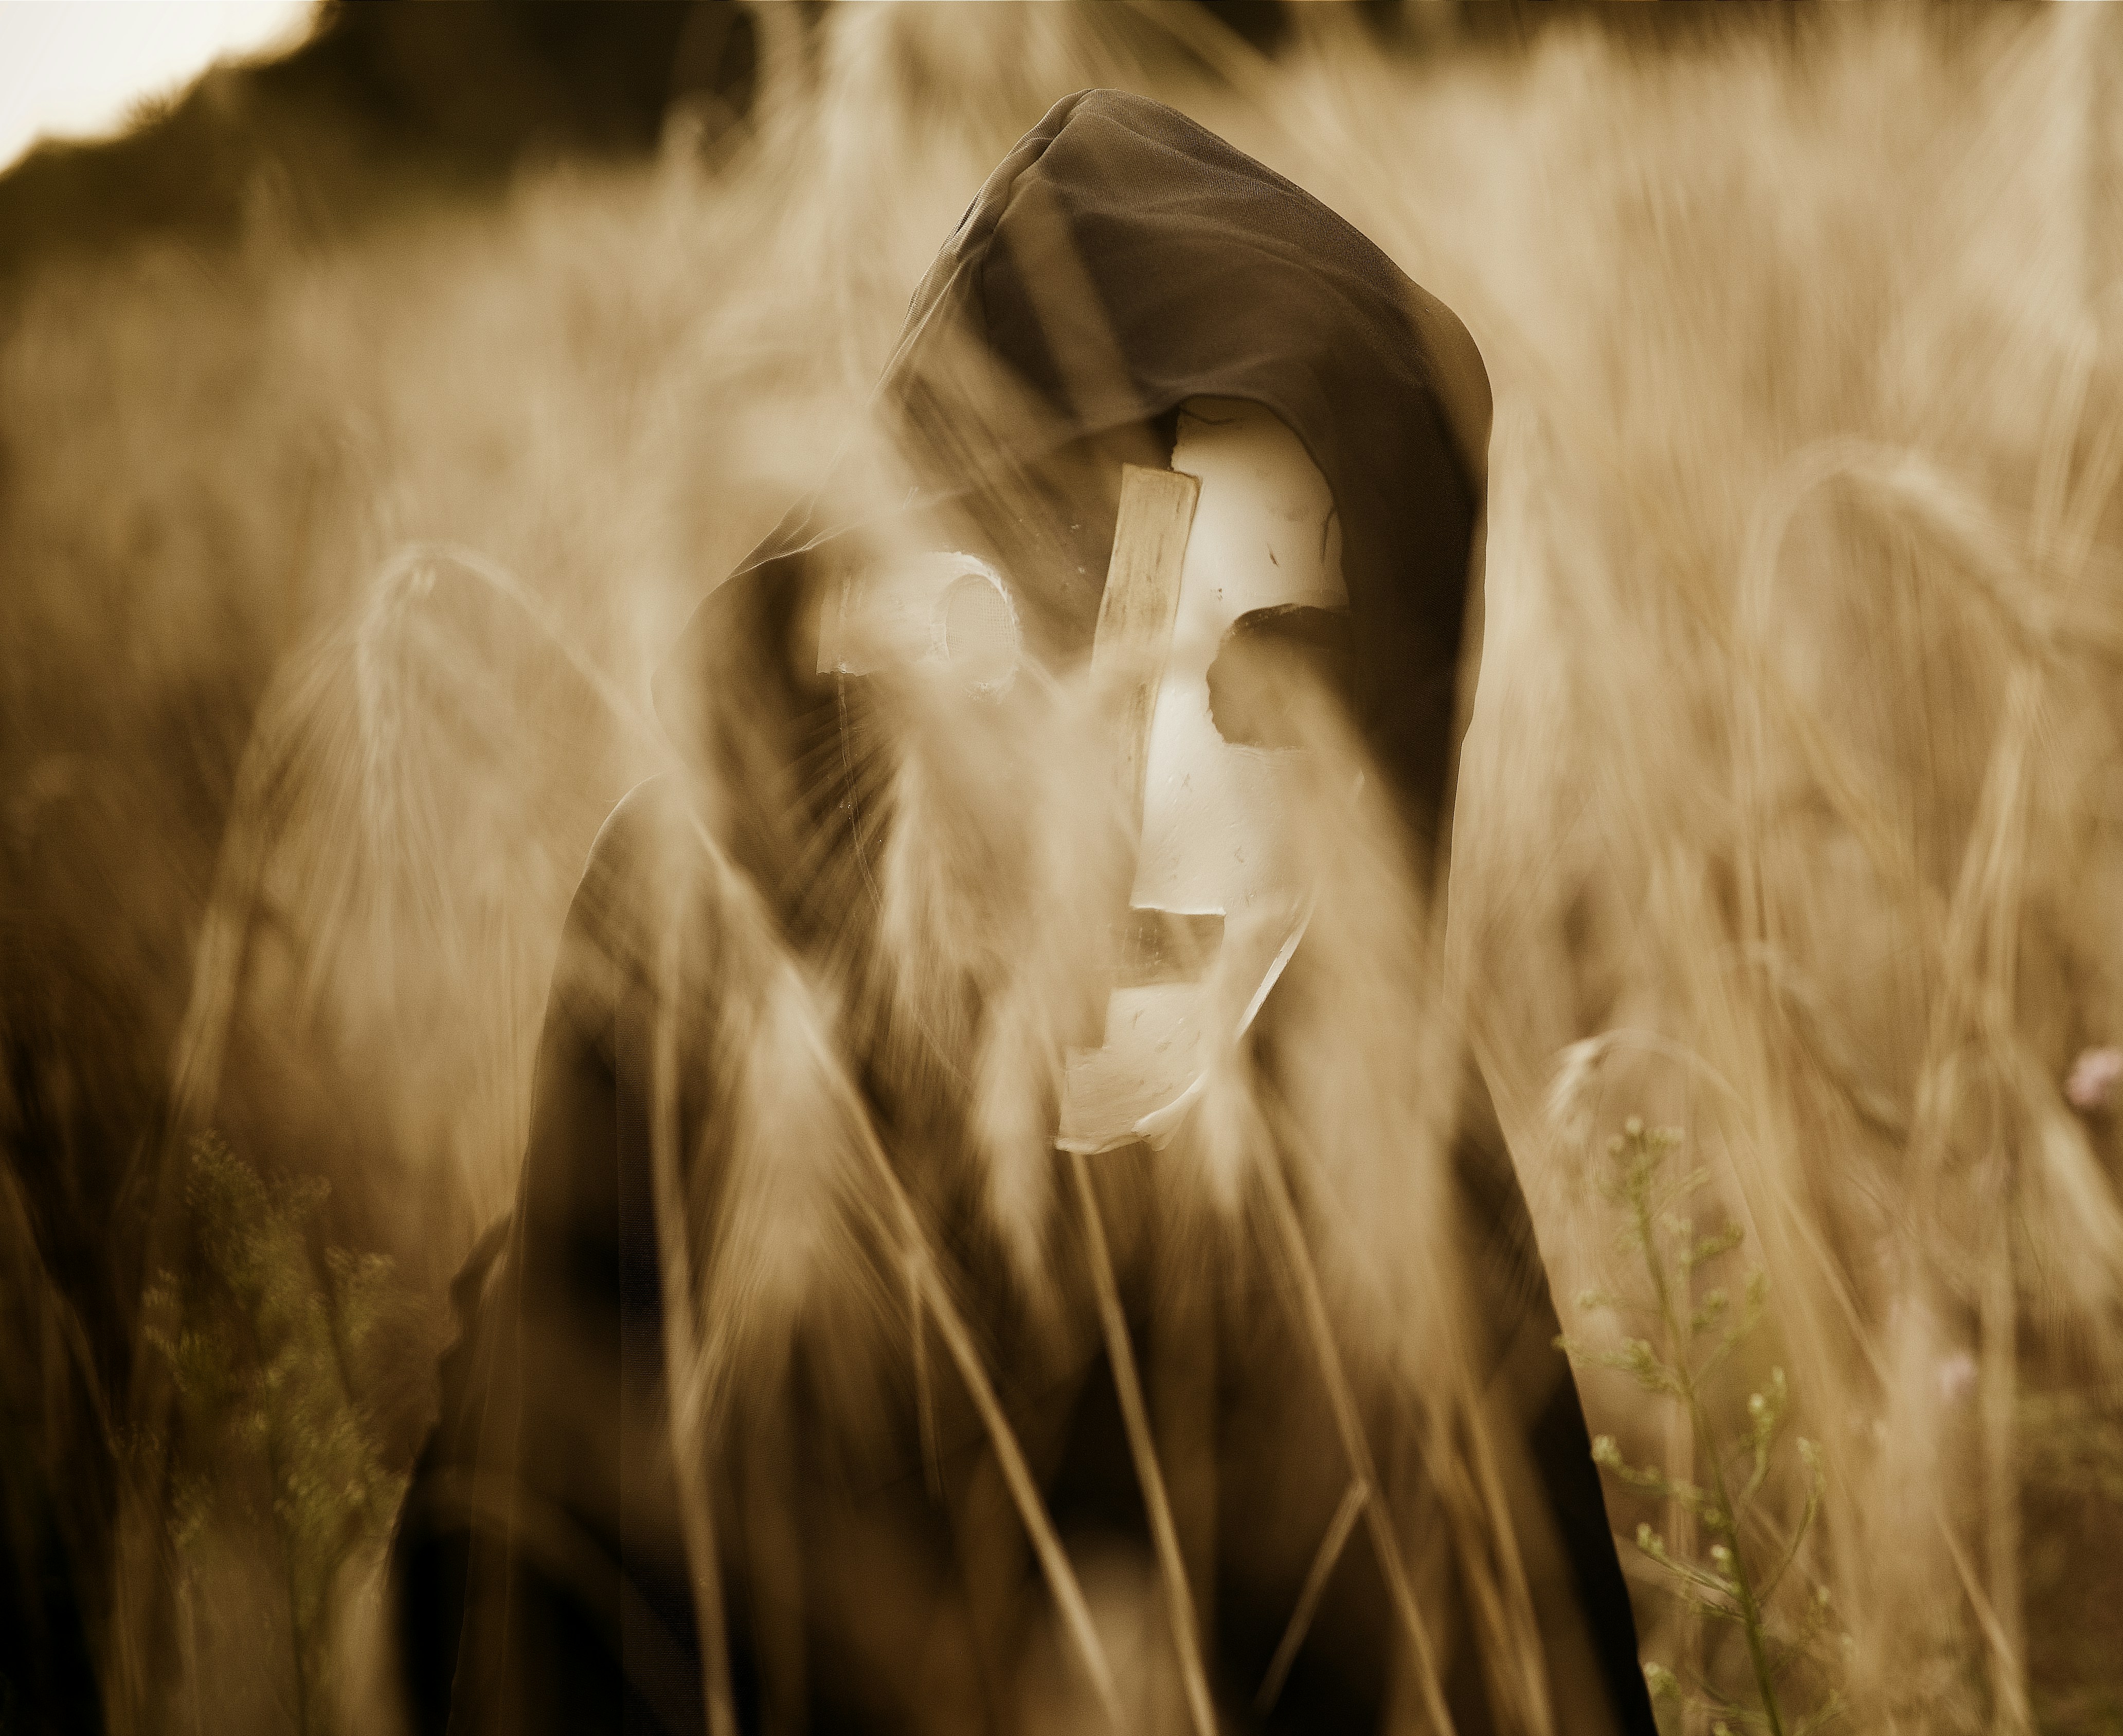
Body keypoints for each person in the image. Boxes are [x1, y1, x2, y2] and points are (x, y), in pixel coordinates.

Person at [391, 88, 1653, 1736]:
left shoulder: (1371, 1106)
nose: (1186, 810)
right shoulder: (701, 960)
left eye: (1286, 673)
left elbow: (1523, 1662)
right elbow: (517, 1606)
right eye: (1119, 637)